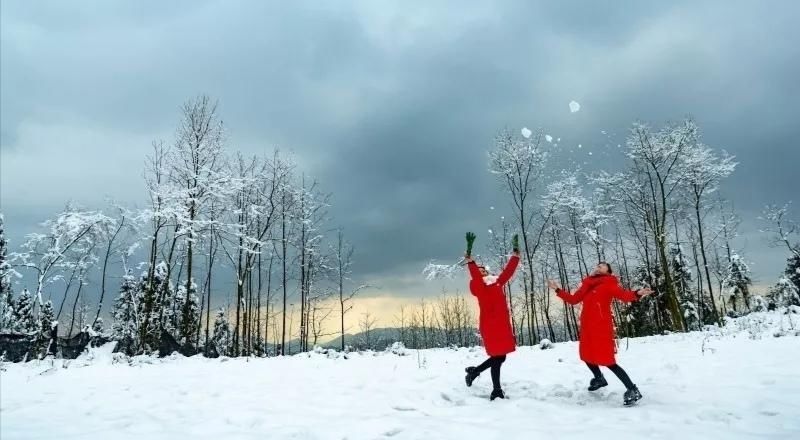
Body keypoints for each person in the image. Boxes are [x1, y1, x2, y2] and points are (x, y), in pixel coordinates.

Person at [548, 262, 653, 406]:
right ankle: (599, 378)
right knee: (586, 355)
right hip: (587, 327)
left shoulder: (609, 283)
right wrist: (558, 290)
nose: (598, 267)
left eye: (602, 266)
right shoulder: (587, 284)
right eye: (597, 265)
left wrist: (637, 293)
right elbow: (574, 300)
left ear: (608, 271)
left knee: (608, 361)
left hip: (601, 328)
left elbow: (624, 295)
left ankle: (633, 389)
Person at [463, 246, 520, 401]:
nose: (482, 271)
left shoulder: (496, 283)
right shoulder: (478, 286)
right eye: (479, 270)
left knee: (500, 357)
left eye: (483, 270)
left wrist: (515, 257)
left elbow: (507, 273)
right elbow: (475, 276)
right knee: (498, 357)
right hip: (490, 325)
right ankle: (496, 389)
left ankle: (474, 372)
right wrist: (471, 263)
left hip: (502, 324)